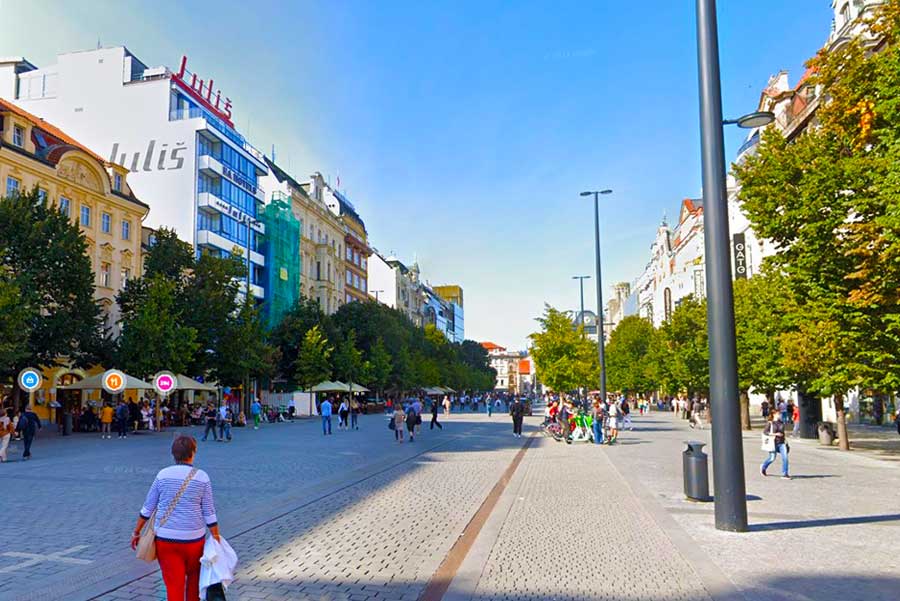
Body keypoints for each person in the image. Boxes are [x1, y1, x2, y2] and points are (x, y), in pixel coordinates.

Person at [130, 435, 220, 601]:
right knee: (194, 583)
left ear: (173, 454)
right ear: (193, 452)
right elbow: (209, 511)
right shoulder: (202, 477)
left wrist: (136, 532)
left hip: (166, 541)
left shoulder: (163, 475)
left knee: (173, 586)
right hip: (194, 540)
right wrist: (216, 536)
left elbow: (148, 508)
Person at [761, 413, 790, 479]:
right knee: (772, 458)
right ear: (774, 414)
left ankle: (785, 474)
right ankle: (763, 467)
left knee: (785, 457)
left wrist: (785, 440)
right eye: (778, 414)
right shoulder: (770, 423)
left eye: (780, 414)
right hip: (773, 443)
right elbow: (765, 432)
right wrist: (775, 434)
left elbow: (783, 433)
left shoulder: (781, 423)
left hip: (781, 443)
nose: (780, 415)